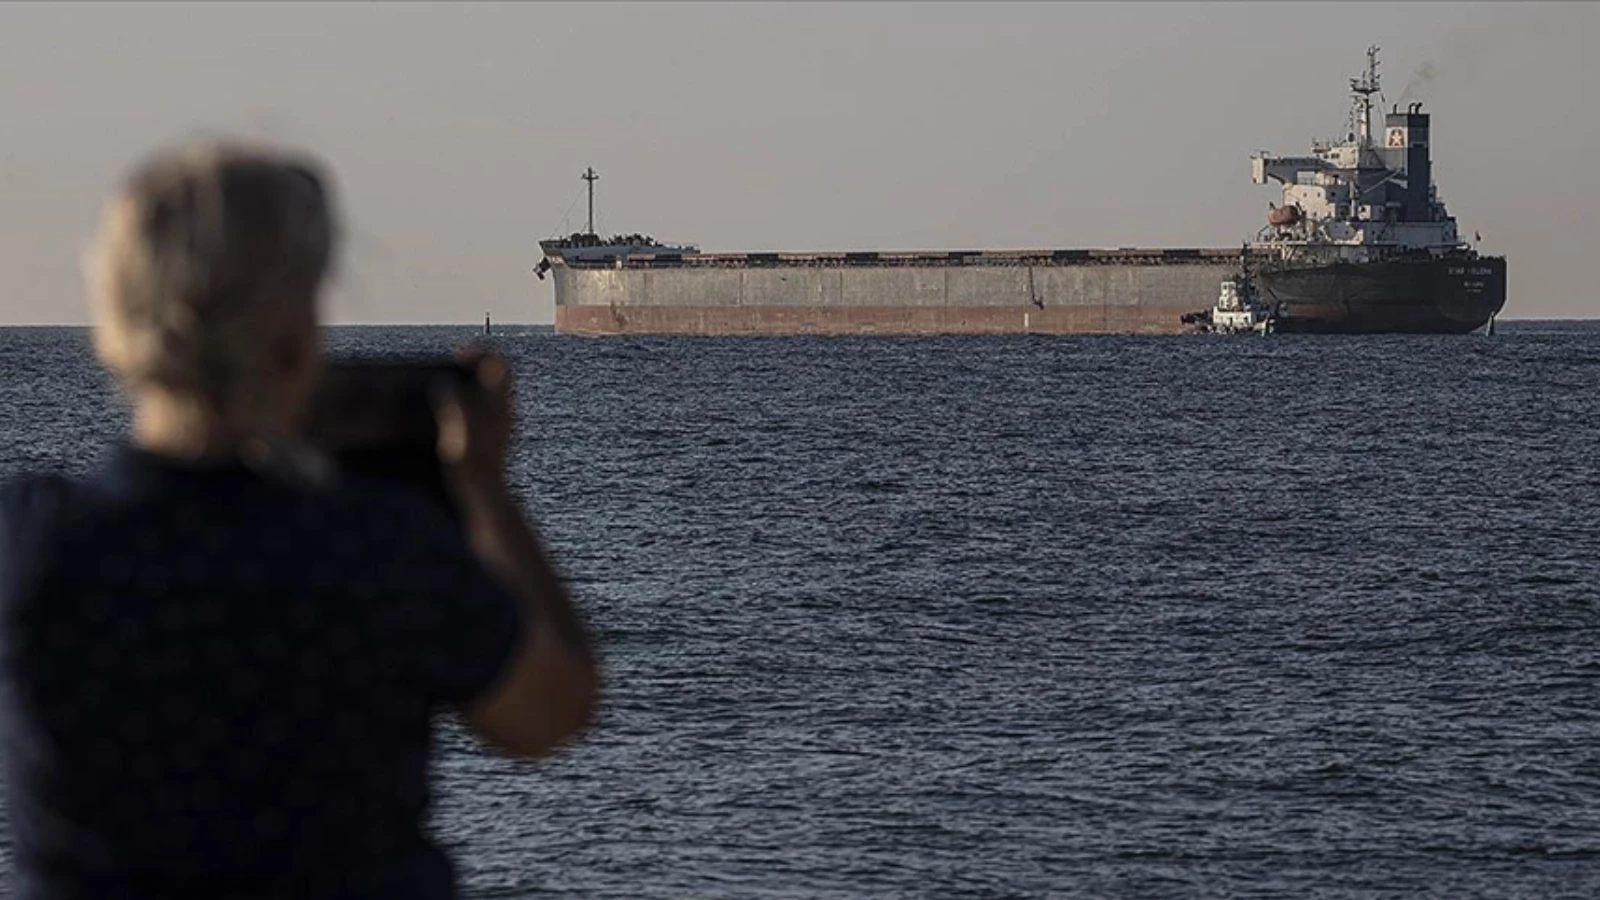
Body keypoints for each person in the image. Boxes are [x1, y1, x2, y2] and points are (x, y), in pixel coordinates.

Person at [0, 140, 600, 899]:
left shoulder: (26, 543)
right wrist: (485, 490)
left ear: (116, 314)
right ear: (294, 337)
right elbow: (551, 710)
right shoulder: (384, 549)